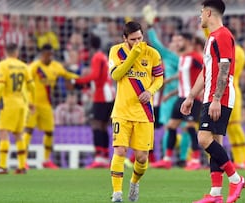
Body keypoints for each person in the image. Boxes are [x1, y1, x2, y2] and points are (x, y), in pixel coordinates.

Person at [180, 1, 245, 202]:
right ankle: (216, 193)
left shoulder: (223, 35)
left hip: (220, 96)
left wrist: (217, 99)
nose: (200, 17)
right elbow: (205, 71)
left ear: (209, 13)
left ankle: (236, 178)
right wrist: (191, 96)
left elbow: (225, 67)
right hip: (210, 95)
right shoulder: (211, 38)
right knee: (216, 142)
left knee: (203, 138)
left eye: (201, 13)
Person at [108, 21, 163, 202]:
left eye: (140, 38)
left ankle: (134, 182)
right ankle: (117, 194)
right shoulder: (116, 51)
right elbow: (116, 75)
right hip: (121, 111)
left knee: (141, 157)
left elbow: (159, 78)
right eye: (133, 39)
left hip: (144, 113)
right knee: (120, 151)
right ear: (125, 39)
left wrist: (150, 91)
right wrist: (132, 56)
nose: (138, 42)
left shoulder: (152, 53)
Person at [151, 33, 203, 171]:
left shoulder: (196, 58)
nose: (177, 44)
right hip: (180, 98)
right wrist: (170, 94)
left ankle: (196, 159)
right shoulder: (182, 59)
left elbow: (206, 74)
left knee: (190, 127)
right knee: (171, 126)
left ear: (189, 42)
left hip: (192, 99)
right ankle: (167, 159)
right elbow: (182, 80)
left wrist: (204, 91)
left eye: (181, 41)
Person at [23, 44, 79, 169]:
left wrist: (82, 79)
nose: (50, 57)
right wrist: (28, 101)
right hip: (32, 104)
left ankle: (46, 160)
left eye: (51, 54)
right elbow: (25, 84)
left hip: (46, 105)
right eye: (47, 54)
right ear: (42, 54)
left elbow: (67, 75)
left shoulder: (56, 66)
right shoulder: (34, 67)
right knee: (28, 130)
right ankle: (23, 161)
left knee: (49, 132)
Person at [0, 43, 35, 174]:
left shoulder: (3, 65)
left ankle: (2, 166)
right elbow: (32, 87)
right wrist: (32, 103)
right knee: (18, 135)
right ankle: (21, 166)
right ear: (17, 52)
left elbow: (1, 86)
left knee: (3, 132)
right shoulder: (24, 66)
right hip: (22, 104)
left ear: (5, 51)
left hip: (9, 103)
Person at [72, 35, 115, 169]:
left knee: (97, 124)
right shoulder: (102, 56)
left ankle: (99, 157)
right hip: (109, 92)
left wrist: (78, 80)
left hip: (102, 94)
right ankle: (105, 156)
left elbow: (95, 76)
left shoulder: (97, 57)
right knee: (102, 125)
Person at [227, 29, 245, 170]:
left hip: (233, 91)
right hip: (225, 91)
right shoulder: (228, 50)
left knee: (236, 125)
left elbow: (231, 71)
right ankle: (238, 160)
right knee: (230, 128)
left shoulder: (237, 51)